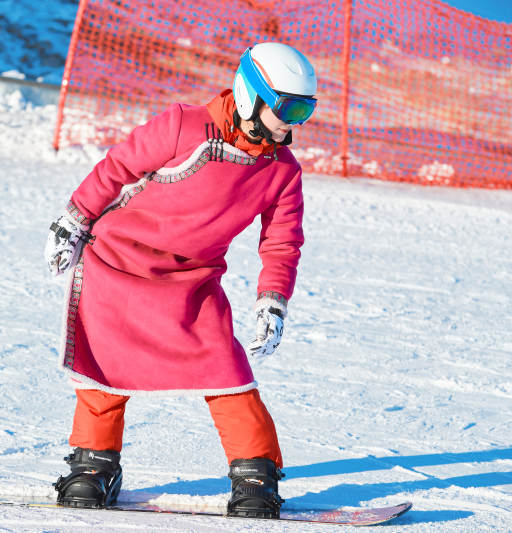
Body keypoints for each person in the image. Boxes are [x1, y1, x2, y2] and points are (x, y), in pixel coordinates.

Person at [44, 42, 317, 518]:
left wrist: (273, 300)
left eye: (306, 110)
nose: (294, 122)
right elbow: (117, 168)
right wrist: (73, 218)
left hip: (192, 280)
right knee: (104, 366)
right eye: (288, 108)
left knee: (227, 372)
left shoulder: (281, 171)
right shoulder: (182, 126)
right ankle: (94, 466)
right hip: (117, 262)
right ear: (251, 95)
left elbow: (281, 242)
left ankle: (256, 473)